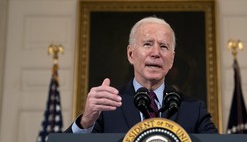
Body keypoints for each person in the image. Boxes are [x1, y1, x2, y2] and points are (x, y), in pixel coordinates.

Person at [65, 16, 218, 134]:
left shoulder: (193, 110)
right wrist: (85, 122)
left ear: (171, 60)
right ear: (131, 54)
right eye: (147, 44)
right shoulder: (107, 107)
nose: (156, 53)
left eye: (163, 46)